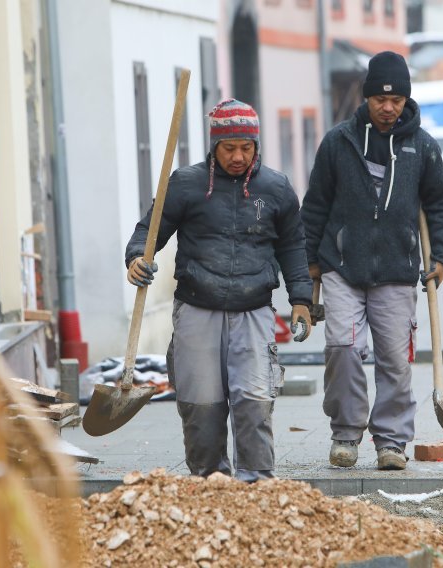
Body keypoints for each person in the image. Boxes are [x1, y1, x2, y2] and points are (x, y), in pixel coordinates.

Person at [125, 99, 313, 482]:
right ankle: (209, 479)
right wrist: (135, 258)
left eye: (247, 147)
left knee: (255, 400)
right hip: (197, 309)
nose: (239, 156)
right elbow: (150, 231)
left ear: (257, 146)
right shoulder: (185, 184)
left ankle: (257, 479)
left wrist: (301, 300)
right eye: (230, 148)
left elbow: (293, 247)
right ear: (215, 146)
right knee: (201, 402)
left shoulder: (276, 189)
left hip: (254, 311)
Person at [301, 51, 443, 471]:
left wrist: (440, 255)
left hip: (397, 270)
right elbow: (315, 205)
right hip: (342, 266)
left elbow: (440, 202)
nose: (388, 108)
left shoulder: (421, 147)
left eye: (397, 100)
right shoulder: (338, 142)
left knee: (394, 358)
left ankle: (391, 441)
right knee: (344, 349)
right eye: (379, 100)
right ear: (366, 98)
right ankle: (346, 434)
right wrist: (309, 262)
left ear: (406, 100)